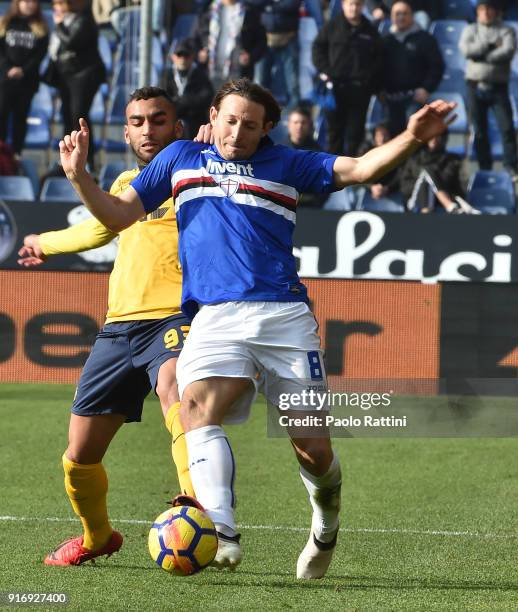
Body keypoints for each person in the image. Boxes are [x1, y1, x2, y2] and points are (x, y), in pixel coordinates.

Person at [55, 79, 454, 578]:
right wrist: (79, 177)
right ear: (214, 115)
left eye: (249, 124)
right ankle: (220, 531)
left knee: (312, 447)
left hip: (283, 318)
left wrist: (413, 136)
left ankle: (325, 524)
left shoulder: (288, 163)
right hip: (214, 316)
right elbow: (116, 214)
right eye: (229, 119)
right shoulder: (180, 157)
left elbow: (360, 168)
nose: (237, 132)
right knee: (195, 405)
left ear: (267, 128)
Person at [17, 87, 202, 567]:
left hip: (175, 315)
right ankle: (97, 536)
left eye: (158, 120)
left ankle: (198, 505)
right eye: (138, 122)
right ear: (125, 132)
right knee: (78, 456)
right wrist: (45, 241)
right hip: (119, 329)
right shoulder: (128, 183)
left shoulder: (201, 174)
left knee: (174, 385)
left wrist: (214, 150)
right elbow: (99, 229)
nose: (148, 129)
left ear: (178, 128)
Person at [312, 0, 383, 156]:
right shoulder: (331, 26)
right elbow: (317, 49)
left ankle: (351, 176)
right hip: (336, 89)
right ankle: (333, 174)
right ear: (343, 5)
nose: (353, 8)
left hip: (360, 90)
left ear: (363, 6)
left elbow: (378, 59)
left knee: (355, 134)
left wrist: (369, 80)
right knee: (334, 133)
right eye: (350, 4)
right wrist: (327, 71)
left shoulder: (370, 30)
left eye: (357, 4)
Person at [459, 0, 518, 180]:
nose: (485, 13)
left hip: (498, 86)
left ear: (496, 11)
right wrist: (491, 46)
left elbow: (507, 51)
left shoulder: (506, 30)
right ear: (477, 12)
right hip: (475, 85)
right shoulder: (470, 30)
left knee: (506, 127)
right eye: (482, 9)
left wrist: (481, 54)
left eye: (489, 9)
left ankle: (511, 166)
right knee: (479, 129)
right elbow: (467, 51)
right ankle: (485, 165)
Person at [45, 0, 105, 169]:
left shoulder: (83, 20)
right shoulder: (68, 21)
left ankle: (89, 158)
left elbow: (71, 42)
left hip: (84, 75)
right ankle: (67, 156)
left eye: (58, 3)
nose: (55, 7)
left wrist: (58, 25)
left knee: (79, 115)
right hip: (66, 75)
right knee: (66, 114)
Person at [380, 1, 444, 136]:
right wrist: (379, 90)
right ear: (391, 17)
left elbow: (437, 66)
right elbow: (377, 69)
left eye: (405, 13)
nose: (401, 17)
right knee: (393, 143)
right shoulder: (385, 41)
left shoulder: (425, 39)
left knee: (413, 139)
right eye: (397, 14)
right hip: (391, 100)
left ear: (412, 16)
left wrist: (426, 88)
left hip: (415, 100)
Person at [0, 0, 48, 157]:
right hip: (5, 81)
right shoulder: (6, 23)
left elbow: (39, 55)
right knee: (2, 115)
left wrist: (22, 70)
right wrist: (8, 68)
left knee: (20, 118)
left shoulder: (40, 27)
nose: (29, 4)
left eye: (33, 2)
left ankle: (16, 155)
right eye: (26, 1)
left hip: (27, 82)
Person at [193, 0, 266, 90]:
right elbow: (195, 38)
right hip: (210, 72)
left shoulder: (249, 11)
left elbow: (261, 42)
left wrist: (250, 56)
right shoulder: (208, 9)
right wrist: (199, 54)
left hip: (239, 74)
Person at [399, 131, 471, 212]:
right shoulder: (414, 159)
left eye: (437, 136)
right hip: (415, 200)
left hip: (443, 199)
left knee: (427, 174)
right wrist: (424, 184)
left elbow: (452, 182)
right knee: (426, 174)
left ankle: (427, 214)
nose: (434, 139)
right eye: (431, 136)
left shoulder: (452, 160)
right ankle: (448, 205)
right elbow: (405, 187)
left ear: (443, 139)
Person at [247, 0, 301, 109]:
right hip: (264, 40)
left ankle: (294, 116)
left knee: (292, 81)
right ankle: (258, 111)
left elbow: (292, 5)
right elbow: (252, 3)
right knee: (260, 80)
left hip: (288, 38)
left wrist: (269, 6)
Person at [164, 38, 214, 139]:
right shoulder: (167, 75)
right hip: (173, 122)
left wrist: (183, 102)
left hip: (195, 126)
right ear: (173, 57)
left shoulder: (200, 75)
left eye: (186, 56)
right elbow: (164, 98)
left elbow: (207, 97)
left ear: (192, 57)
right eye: (179, 55)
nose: (183, 59)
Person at [287, 106, 326, 208]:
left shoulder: (319, 154)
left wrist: (317, 204)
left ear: (310, 125)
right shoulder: (276, 151)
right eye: (295, 122)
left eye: (303, 122)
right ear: (289, 125)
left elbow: (325, 184)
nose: (299, 126)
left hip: (311, 208)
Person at [357, 122, 401, 201]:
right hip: (368, 191)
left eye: (385, 135)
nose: (382, 139)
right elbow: (358, 173)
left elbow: (401, 175)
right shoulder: (366, 152)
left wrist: (388, 188)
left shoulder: (398, 154)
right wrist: (371, 187)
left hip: (392, 192)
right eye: (379, 135)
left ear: (390, 137)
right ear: (374, 138)